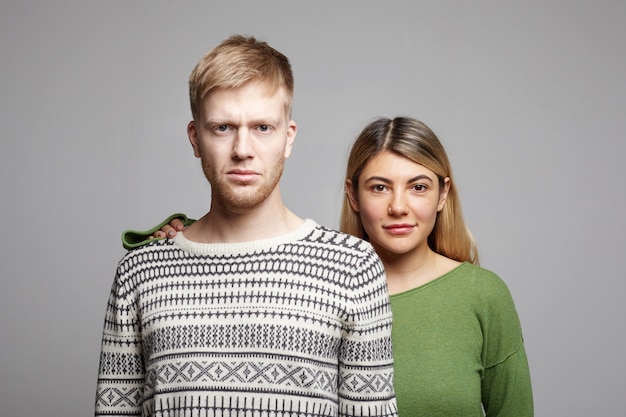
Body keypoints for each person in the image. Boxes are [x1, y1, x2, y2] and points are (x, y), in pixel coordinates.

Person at [136, 117, 534, 416]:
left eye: (419, 186)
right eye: (379, 187)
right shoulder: (315, 284)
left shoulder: (483, 296)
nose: (399, 206)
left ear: (443, 194)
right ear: (353, 195)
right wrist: (183, 238)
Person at [96, 35, 398, 417]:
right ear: (195, 139)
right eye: (222, 127)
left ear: (288, 138)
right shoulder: (140, 273)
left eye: (262, 128)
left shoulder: (353, 267)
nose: (242, 149)